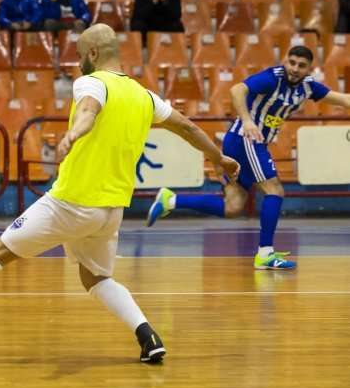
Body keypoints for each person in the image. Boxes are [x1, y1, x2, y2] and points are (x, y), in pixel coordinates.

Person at [0, 24, 241, 363]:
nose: (78, 63)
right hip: (110, 211)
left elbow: (89, 111)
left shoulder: (91, 83)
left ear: (93, 55)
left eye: (80, 55)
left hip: (71, 202)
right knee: (96, 280)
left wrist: (75, 132)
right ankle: (148, 336)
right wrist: (219, 158)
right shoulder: (145, 96)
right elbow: (188, 128)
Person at [147, 45, 350, 270]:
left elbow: (343, 99)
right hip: (246, 138)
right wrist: (246, 120)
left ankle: (170, 200)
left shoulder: (309, 87)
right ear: (285, 60)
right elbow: (237, 90)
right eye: (291, 62)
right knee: (275, 190)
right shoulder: (272, 78)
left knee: (233, 206)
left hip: (244, 142)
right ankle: (265, 254)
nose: (294, 68)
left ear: (309, 69)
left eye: (301, 66)